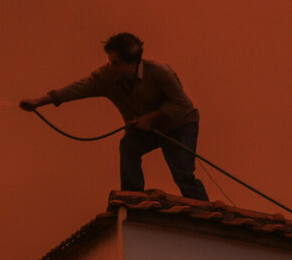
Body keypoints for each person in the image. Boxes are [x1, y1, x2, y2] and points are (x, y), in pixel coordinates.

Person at [19, 32, 209, 201]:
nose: (111, 67)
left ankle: (206, 215)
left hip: (180, 125)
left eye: (116, 63)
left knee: (183, 174)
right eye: (110, 62)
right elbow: (75, 89)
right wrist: (38, 102)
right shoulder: (106, 76)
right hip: (146, 129)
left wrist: (151, 117)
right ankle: (132, 199)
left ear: (133, 63)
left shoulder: (159, 72)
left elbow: (182, 104)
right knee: (129, 145)